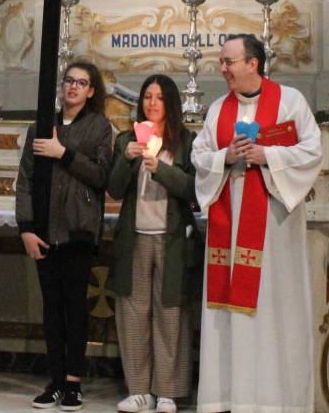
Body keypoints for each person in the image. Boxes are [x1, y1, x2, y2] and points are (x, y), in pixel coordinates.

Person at [190, 34, 322, 413]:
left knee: (273, 308)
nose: (223, 68)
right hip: (228, 227)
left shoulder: (290, 101)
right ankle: (228, 397)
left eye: (229, 61)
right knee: (229, 312)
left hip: (275, 228)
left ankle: (274, 400)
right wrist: (224, 157)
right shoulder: (218, 109)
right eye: (222, 61)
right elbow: (199, 155)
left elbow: (313, 151)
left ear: (253, 63)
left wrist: (268, 155)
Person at [17, 60, 113, 411]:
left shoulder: (100, 127)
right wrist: (26, 228)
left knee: (75, 308)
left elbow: (103, 176)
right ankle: (55, 381)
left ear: (91, 91)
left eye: (81, 83)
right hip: (44, 231)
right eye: (69, 81)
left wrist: (64, 154)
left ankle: (74, 383)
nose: (73, 87)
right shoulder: (41, 126)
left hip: (79, 230)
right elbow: (25, 180)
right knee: (52, 309)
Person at [107, 75, 200, 413]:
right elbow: (114, 189)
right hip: (135, 238)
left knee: (170, 313)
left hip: (171, 239)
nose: (152, 103)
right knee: (133, 313)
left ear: (170, 103)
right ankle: (138, 389)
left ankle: (167, 391)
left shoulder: (185, 142)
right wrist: (127, 159)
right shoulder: (125, 140)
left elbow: (193, 191)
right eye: (147, 96)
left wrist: (161, 169)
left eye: (159, 97)